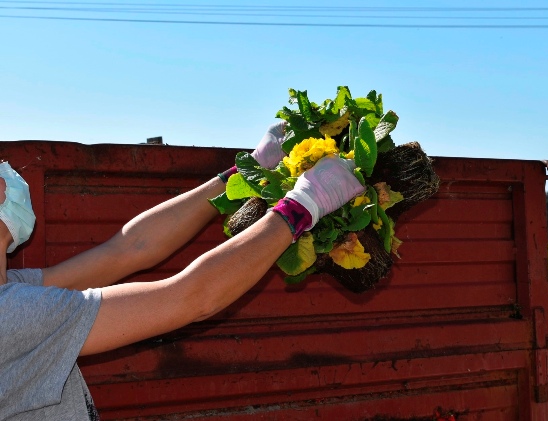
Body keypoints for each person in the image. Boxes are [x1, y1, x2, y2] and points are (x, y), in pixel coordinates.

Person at [0, 123, 365, 420]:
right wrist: (302, 206)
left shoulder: (14, 289)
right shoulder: (14, 314)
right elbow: (191, 297)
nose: (6, 174)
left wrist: (244, 172)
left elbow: (129, 249)